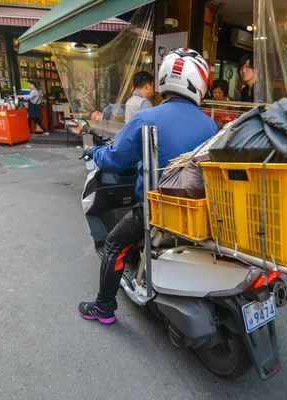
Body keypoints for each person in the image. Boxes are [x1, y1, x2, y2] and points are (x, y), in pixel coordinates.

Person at [75, 49, 218, 324]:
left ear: (165, 78)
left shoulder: (147, 117)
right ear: (199, 83)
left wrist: (94, 153)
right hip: (198, 213)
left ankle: (103, 307)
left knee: (114, 243)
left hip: (157, 213)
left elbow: (115, 160)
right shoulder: (210, 125)